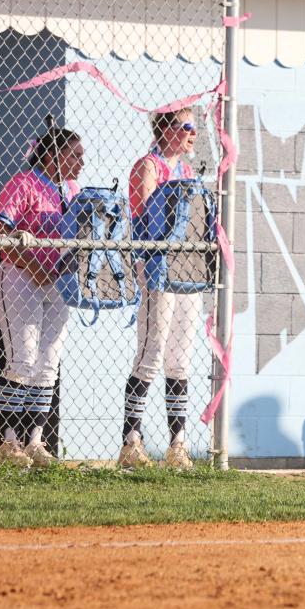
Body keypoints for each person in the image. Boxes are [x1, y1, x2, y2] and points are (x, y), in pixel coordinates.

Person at [0, 125, 84, 467]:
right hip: (21, 277)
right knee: (22, 359)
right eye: (74, 155)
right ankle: (9, 442)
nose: (81, 162)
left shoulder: (71, 189)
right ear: (52, 156)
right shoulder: (24, 183)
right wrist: (30, 263)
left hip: (58, 282)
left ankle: (35, 442)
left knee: (48, 363)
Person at [117, 108, 203, 470]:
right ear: (166, 130)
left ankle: (177, 445)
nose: (192, 134)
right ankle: (131, 442)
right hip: (157, 267)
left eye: (194, 128)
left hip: (188, 269)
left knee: (180, 360)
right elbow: (148, 216)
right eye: (186, 127)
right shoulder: (148, 165)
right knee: (151, 353)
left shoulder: (186, 170)